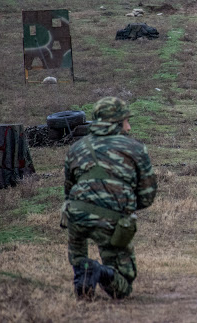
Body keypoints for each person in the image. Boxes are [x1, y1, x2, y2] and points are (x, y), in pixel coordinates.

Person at [63, 97, 157, 299]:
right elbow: (147, 196)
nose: (129, 127)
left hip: (75, 217)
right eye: (126, 121)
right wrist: (122, 207)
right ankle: (99, 272)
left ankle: (84, 279)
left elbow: (68, 190)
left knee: (79, 261)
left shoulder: (76, 148)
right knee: (122, 286)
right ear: (116, 122)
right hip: (111, 219)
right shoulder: (135, 149)